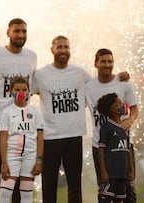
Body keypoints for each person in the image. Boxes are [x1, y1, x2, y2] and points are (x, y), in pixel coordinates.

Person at [0, 18, 37, 203]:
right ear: (8, 33)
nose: (21, 35)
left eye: (24, 31)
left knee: (18, 172)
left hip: (20, 124)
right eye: (17, 31)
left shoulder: (31, 56)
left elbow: (34, 85)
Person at [32, 35, 90, 203]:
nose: (63, 50)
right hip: (50, 138)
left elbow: (97, 88)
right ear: (52, 50)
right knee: (49, 186)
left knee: (74, 186)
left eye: (66, 47)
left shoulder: (79, 72)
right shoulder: (41, 74)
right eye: (60, 47)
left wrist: (119, 78)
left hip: (74, 135)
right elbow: (23, 93)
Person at [85, 48, 139, 203]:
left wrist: (130, 120)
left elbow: (134, 109)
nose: (107, 65)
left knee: (128, 188)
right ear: (96, 63)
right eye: (103, 61)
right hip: (100, 146)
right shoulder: (88, 86)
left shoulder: (123, 83)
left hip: (123, 145)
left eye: (110, 61)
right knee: (105, 188)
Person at [0, 76, 44, 203]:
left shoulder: (35, 112)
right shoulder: (6, 112)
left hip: (30, 155)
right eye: (17, 89)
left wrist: (39, 161)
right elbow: (3, 139)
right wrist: (5, 163)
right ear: (10, 92)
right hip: (12, 155)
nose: (21, 93)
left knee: (27, 195)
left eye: (24, 89)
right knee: (5, 193)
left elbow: (40, 138)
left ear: (29, 92)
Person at [96, 93, 135, 203]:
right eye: (118, 104)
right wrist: (103, 171)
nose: (121, 105)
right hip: (111, 173)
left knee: (119, 200)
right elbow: (101, 149)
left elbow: (128, 150)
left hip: (123, 173)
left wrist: (131, 170)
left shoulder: (125, 127)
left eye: (121, 103)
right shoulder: (106, 127)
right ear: (111, 109)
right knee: (106, 198)